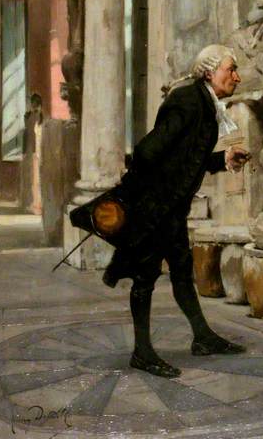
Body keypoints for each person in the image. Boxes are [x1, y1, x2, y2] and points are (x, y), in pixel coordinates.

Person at [102, 44, 251, 379]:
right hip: (156, 209)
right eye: (231, 69)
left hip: (169, 209)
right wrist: (149, 197)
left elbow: (186, 158)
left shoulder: (203, 103)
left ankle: (202, 337)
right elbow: (148, 151)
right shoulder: (187, 101)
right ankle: (142, 352)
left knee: (182, 271)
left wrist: (222, 160)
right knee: (145, 276)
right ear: (211, 72)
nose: (237, 77)